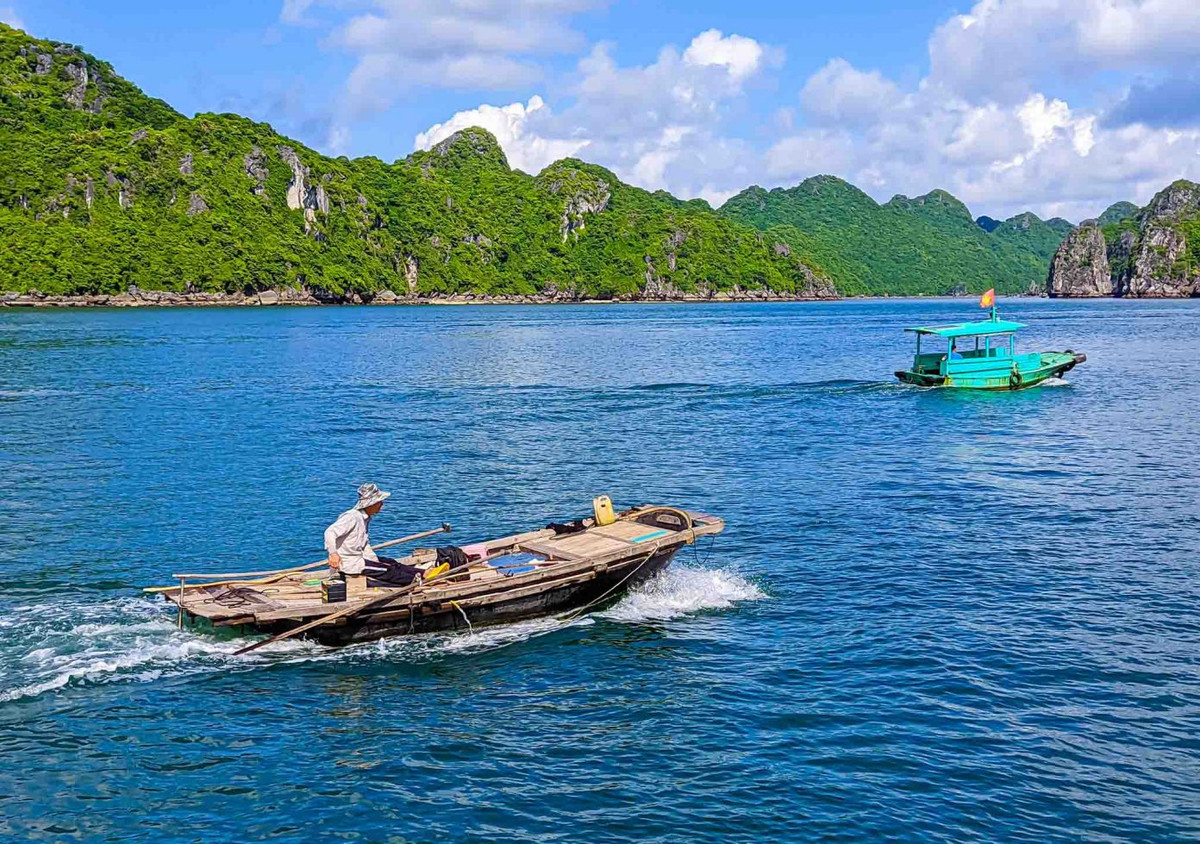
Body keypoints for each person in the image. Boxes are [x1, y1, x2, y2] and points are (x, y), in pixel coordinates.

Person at [324, 483, 421, 596]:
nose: (382, 504)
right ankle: (418, 580)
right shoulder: (352, 517)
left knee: (391, 563)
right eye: (379, 502)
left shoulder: (364, 518)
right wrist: (333, 554)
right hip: (352, 563)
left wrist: (374, 560)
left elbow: (364, 545)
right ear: (372, 503)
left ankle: (423, 573)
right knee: (388, 571)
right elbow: (330, 532)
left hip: (360, 557)